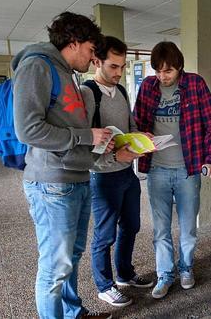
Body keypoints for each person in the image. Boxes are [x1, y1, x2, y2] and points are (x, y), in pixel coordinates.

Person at [13, 12, 113, 319]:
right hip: (52, 182)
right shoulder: (37, 66)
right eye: (91, 49)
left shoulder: (67, 72)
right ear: (74, 42)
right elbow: (27, 130)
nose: (93, 57)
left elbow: (66, 126)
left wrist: (98, 152)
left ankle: (73, 313)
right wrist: (87, 135)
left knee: (70, 258)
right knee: (54, 269)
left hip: (76, 177)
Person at [134, 41, 211, 299]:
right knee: (160, 228)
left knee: (188, 228)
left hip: (187, 169)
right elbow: (137, 119)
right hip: (157, 169)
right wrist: (140, 136)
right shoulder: (148, 86)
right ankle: (164, 274)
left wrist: (209, 158)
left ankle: (186, 268)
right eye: (158, 72)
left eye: (168, 71)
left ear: (179, 66)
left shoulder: (195, 84)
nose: (163, 77)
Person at [80, 36, 153, 308]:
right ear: (96, 62)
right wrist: (113, 155)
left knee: (132, 225)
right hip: (102, 177)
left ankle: (124, 273)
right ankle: (104, 286)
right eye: (113, 66)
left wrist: (140, 137)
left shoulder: (121, 91)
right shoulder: (88, 93)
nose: (118, 73)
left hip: (127, 174)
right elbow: (83, 144)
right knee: (105, 234)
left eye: (122, 67)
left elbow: (129, 126)